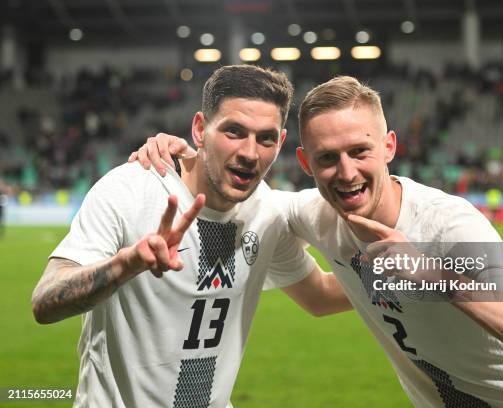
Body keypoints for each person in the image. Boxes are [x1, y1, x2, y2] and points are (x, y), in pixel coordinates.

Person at [137, 76, 503, 407]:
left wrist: (430, 276)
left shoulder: (449, 229)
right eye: (327, 158)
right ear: (304, 161)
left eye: (360, 151)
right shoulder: (312, 215)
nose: (346, 172)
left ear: (389, 147)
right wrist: (179, 151)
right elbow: (318, 297)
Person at [32, 65, 351, 408]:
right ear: (200, 129)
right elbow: (45, 302)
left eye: (265, 138)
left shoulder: (266, 213)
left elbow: (321, 297)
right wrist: (126, 264)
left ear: (281, 142)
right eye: (234, 131)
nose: (249, 152)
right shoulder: (130, 191)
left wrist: (404, 276)